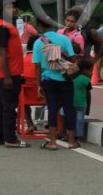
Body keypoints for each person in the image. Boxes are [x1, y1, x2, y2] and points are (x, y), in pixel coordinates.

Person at [32, 20, 78, 150]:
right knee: (69, 109)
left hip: (48, 79)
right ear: (52, 25)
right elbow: (73, 58)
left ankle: (52, 142)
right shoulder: (64, 39)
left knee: (52, 109)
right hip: (65, 79)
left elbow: (37, 66)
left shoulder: (37, 43)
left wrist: (39, 85)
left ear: (40, 27)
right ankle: (71, 142)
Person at [0, 2, 27, 148]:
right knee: (9, 107)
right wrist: (7, 76)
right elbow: (3, 53)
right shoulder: (3, 28)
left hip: (8, 72)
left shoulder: (4, 26)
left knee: (0, 106)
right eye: (10, 7)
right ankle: (10, 139)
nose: (14, 9)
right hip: (9, 72)